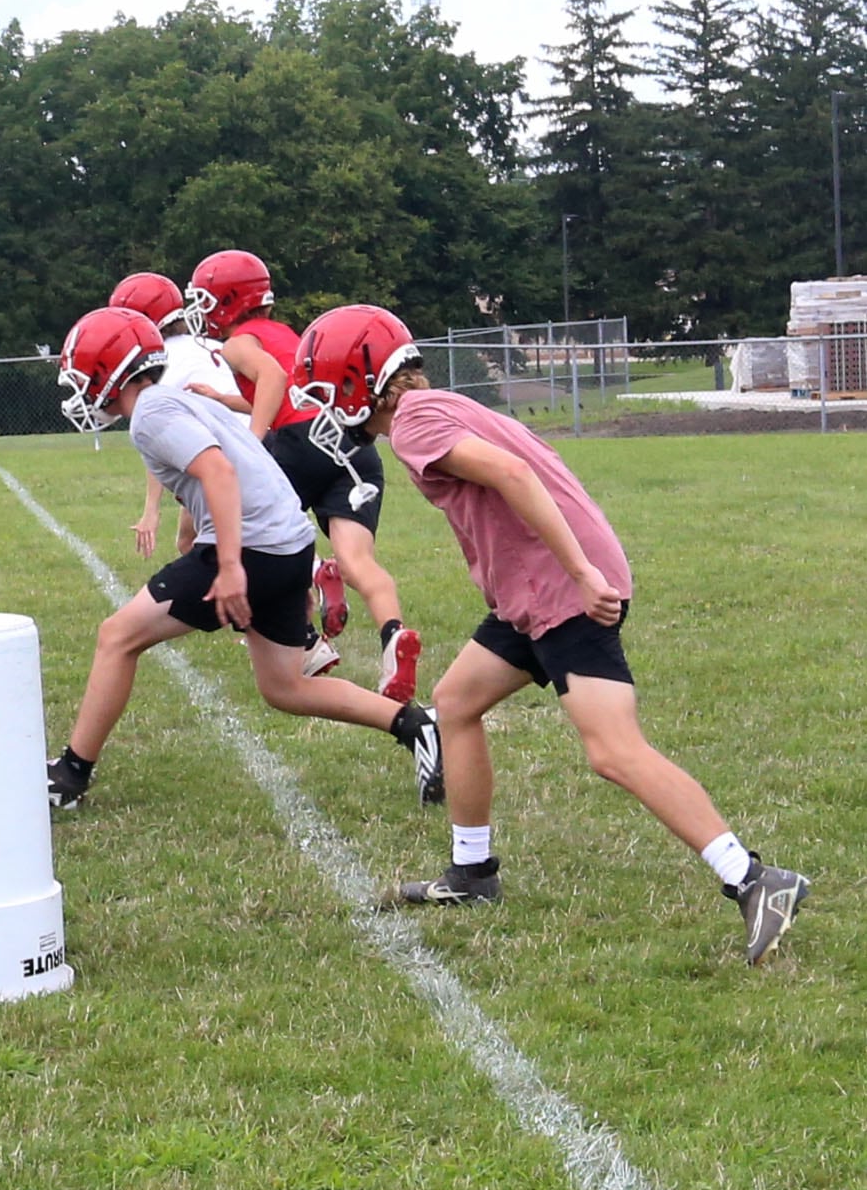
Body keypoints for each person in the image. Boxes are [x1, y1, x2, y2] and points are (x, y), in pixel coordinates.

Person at [292, 305, 811, 962]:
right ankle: (472, 873)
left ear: (361, 380)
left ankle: (756, 879)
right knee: (456, 702)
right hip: (531, 594)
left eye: (325, 388)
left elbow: (514, 474)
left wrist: (580, 571)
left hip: (559, 592)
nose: (324, 406)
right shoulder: (442, 405)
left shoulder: (415, 423)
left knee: (614, 751)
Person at [44, 306, 441, 813]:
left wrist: (229, 565)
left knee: (117, 637)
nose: (79, 389)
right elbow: (231, 466)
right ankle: (415, 724)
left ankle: (71, 774)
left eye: (82, 376)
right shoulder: (172, 403)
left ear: (106, 371)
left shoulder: (151, 414)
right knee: (285, 687)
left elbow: (219, 473)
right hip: (287, 545)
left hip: (253, 549)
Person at [187, 249, 422, 700]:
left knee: (263, 542)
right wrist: (223, 399)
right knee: (359, 561)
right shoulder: (284, 332)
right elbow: (288, 390)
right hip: (349, 436)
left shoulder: (238, 342)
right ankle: (393, 637)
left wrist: (252, 443)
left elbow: (273, 382)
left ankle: (307, 641)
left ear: (225, 301)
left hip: (297, 441)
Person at [108, 271, 250, 561]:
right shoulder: (209, 344)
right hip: (254, 442)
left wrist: (151, 510)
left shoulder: (160, 362)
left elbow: (160, 436)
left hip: (222, 456)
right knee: (190, 540)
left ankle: (274, 585)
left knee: (223, 544)